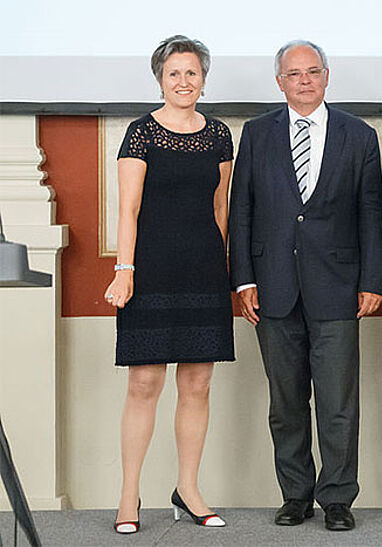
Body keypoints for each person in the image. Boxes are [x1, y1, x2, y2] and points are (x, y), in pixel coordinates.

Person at [228, 40, 382, 532]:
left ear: (326, 76)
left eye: (312, 71)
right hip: (271, 287)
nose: (303, 80)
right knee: (286, 402)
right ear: (279, 81)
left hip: (338, 287)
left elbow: (369, 213)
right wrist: (244, 279)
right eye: (293, 73)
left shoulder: (358, 135)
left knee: (339, 402)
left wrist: (372, 280)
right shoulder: (256, 134)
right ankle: (296, 495)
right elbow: (242, 211)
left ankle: (338, 498)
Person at [106, 34, 232, 534]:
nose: (184, 81)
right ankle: (129, 495)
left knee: (198, 384)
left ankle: (188, 490)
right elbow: (128, 209)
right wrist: (124, 270)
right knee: (144, 383)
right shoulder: (140, 133)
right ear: (160, 78)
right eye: (174, 73)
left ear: (204, 79)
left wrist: (223, 271)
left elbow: (220, 208)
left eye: (192, 73)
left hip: (203, 270)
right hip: (150, 270)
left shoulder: (219, 134)